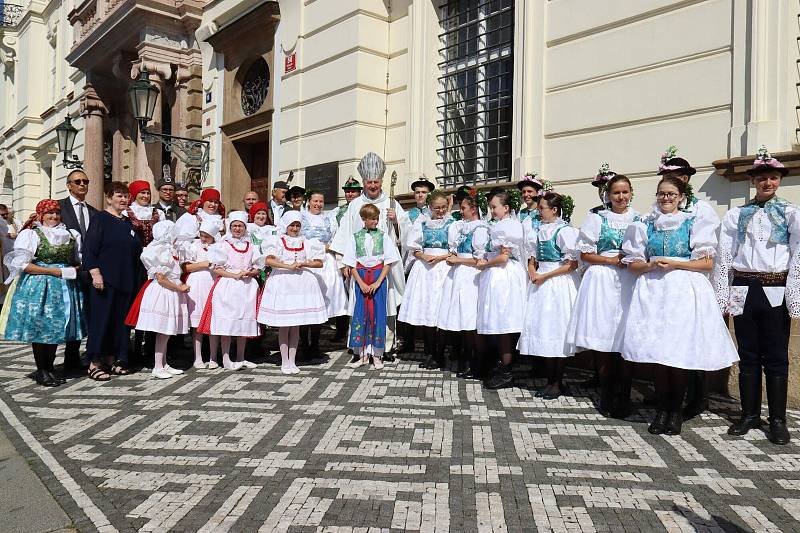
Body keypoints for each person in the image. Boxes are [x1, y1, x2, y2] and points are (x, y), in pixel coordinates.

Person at [621, 176, 737, 436]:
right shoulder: (644, 224)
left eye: (671, 194)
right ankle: (662, 408)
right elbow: (633, 264)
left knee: (678, 353)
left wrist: (675, 263)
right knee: (658, 355)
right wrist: (651, 265)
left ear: (681, 197)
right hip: (653, 293)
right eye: (662, 193)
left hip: (683, 293)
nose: (666, 198)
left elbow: (706, 264)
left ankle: (675, 411)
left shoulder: (694, 222)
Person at [714, 147, 799, 445]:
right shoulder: (736, 215)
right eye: (762, 177)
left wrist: (794, 294)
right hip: (743, 288)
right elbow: (724, 255)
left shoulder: (791, 213)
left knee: (775, 357)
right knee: (747, 355)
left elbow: (798, 255)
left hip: (776, 288)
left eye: (773, 178)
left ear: (779, 181)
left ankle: (777, 419)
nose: (767, 183)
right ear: (753, 181)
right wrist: (722, 295)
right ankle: (749, 415)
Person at [567, 174, 639, 417]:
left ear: (631, 193)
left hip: (629, 279)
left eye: (624, 192)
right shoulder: (597, 219)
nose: (620, 197)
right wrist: (610, 259)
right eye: (616, 192)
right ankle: (607, 394)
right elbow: (585, 255)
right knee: (604, 336)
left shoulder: (640, 219)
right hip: (602, 279)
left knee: (625, 336)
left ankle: (625, 395)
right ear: (608, 195)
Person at [657, 146, 722, 418]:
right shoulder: (659, 208)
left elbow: (707, 252)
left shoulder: (700, 209)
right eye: (671, 175)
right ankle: (670, 399)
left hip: (691, 281)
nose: (677, 180)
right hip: (664, 285)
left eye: (681, 176)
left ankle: (697, 397)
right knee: (669, 343)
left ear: (687, 179)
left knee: (692, 344)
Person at [330, 152, 408, 359]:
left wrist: (397, 221)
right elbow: (345, 235)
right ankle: (358, 346)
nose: (372, 185)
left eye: (376, 181)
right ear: (363, 182)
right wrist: (343, 263)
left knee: (387, 304)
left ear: (381, 181)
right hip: (360, 269)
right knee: (359, 305)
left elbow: (407, 235)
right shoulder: (355, 205)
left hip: (384, 269)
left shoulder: (392, 204)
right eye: (369, 182)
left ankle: (386, 346)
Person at [1, 200, 85, 386]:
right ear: (40, 215)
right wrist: (53, 271)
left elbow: (77, 259)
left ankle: (50, 367)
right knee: (41, 327)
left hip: (65, 285)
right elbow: (23, 265)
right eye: (49, 213)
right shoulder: (32, 234)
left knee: (55, 327)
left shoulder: (70, 234)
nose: (54, 217)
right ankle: (42, 370)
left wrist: (75, 269)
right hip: (41, 286)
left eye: (56, 213)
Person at [518, 192, 580, 400]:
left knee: (558, 330)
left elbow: (571, 264)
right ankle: (549, 379)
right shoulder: (538, 230)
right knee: (544, 329)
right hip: (541, 282)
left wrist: (545, 275)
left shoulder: (565, 231)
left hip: (557, 284)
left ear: (554, 210)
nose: (539, 211)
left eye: (542, 208)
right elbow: (532, 256)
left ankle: (557, 381)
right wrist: (532, 271)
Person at [82, 181, 143, 380]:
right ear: (108, 198)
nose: (123, 199)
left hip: (126, 281)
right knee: (102, 321)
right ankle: (94, 362)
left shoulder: (127, 223)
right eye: (119, 195)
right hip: (105, 281)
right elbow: (90, 249)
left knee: (120, 323)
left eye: (126, 196)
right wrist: (95, 273)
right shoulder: (100, 218)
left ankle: (113, 358)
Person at [258, 211, 328, 373]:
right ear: (286, 226)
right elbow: (269, 260)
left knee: (296, 324)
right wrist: (289, 266)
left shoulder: (308, 242)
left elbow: (319, 263)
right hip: (283, 283)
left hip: (301, 285)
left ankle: (292, 359)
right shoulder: (276, 241)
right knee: (285, 325)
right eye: (292, 225)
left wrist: (304, 263)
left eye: (297, 225)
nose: (295, 228)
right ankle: (284, 360)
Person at [198, 211, 264, 370]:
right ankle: (226, 358)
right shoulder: (223, 245)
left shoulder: (251, 246)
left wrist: (251, 272)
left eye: (240, 226)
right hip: (228, 287)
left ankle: (241, 357)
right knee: (227, 323)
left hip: (247, 287)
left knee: (244, 323)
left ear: (245, 227)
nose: (237, 229)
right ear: (229, 227)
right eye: (234, 225)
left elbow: (258, 267)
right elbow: (217, 269)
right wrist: (234, 275)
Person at [125, 220, 190, 379]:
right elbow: (161, 278)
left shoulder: (169, 250)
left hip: (170, 290)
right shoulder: (159, 250)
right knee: (162, 330)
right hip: (163, 292)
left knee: (167, 331)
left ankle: (163, 363)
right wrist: (179, 288)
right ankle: (158, 365)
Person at [477, 190, 527, 390]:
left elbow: (504, 257)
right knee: (499, 321)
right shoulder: (502, 225)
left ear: (506, 208)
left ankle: (505, 369)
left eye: (494, 207)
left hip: (503, 275)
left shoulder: (508, 226)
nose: (492, 211)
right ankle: (499, 365)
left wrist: (485, 264)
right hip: (499, 274)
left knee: (504, 321)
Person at [437, 190, 490, 377]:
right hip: (459, 274)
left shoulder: (480, 229)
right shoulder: (462, 226)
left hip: (471, 276)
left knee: (470, 319)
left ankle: (476, 362)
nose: (462, 211)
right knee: (461, 317)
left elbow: (479, 259)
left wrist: (458, 260)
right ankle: (466, 357)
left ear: (474, 209)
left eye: (465, 208)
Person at [342, 204, 401, 369]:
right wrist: (360, 283)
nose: (376, 221)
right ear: (364, 220)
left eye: (377, 218)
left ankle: (377, 354)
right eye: (372, 219)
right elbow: (351, 263)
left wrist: (377, 282)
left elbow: (388, 262)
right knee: (361, 314)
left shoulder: (383, 237)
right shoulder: (355, 237)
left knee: (378, 314)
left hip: (378, 277)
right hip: (360, 277)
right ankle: (361, 354)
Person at [399, 190, 453, 369]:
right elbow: (413, 247)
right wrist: (423, 256)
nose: (440, 211)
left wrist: (439, 258)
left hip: (444, 266)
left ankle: (440, 353)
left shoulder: (452, 223)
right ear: (430, 207)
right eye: (437, 208)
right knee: (427, 310)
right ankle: (429, 352)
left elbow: (454, 249)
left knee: (441, 311)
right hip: (425, 268)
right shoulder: (422, 223)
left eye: (443, 207)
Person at [58, 169, 98, 373]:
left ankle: (77, 357)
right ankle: (60, 359)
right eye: (78, 181)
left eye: (85, 181)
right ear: (69, 185)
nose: (82, 184)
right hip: (66, 270)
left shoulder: (94, 212)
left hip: (88, 270)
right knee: (67, 314)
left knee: (85, 314)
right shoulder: (59, 207)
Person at [301, 191, 348, 357]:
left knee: (322, 304)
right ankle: (303, 344)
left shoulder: (329, 218)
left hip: (326, 263)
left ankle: (315, 343)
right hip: (307, 261)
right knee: (306, 303)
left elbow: (336, 239)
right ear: (308, 201)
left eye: (321, 201)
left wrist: (330, 249)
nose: (318, 204)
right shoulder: (301, 217)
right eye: (315, 201)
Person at [180, 218, 222, 370]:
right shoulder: (193, 246)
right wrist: (204, 264)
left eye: (207, 236)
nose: (203, 238)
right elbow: (186, 267)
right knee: (197, 323)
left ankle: (213, 356)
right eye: (202, 235)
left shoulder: (219, 247)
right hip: (197, 284)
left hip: (213, 283)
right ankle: (197, 356)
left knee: (213, 321)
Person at [329, 176, 362, 342]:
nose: (350, 194)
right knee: (342, 293)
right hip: (342, 254)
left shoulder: (363, 208)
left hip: (358, 254)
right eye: (347, 191)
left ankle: (355, 330)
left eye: (353, 191)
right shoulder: (338, 211)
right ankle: (341, 330)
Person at [125, 180, 160, 246]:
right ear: (135, 194)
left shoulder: (158, 213)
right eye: (143, 193)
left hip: (152, 252)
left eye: (148, 193)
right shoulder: (126, 213)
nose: (146, 196)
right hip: (133, 251)